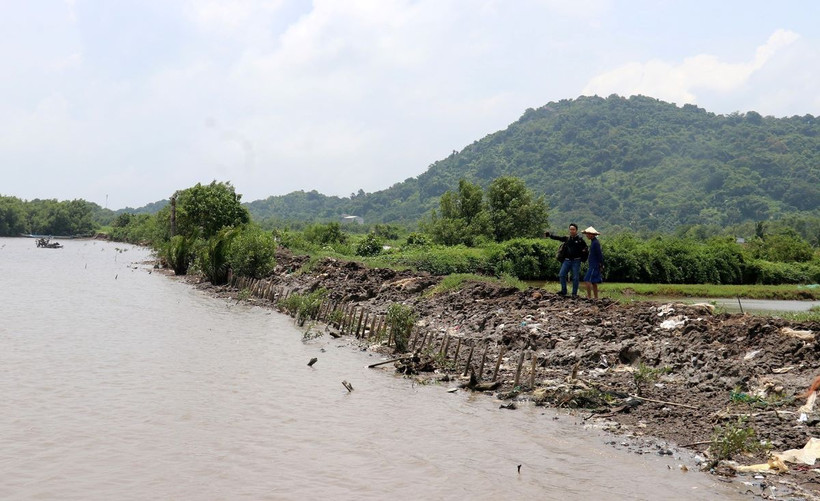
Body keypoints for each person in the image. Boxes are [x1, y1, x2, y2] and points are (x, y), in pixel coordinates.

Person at [545, 223, 588, 297]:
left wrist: (584, 253)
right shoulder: (567, 238)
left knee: (575, 277)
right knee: (562, 275)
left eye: (573, 229)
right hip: (567, 260)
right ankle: (563, 291)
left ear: (576, 230)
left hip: (576, 261)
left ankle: (574, 294)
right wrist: (550, 235)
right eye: (570, 229)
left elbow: (586, 248)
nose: (572, 231)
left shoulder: (580, 240)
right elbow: (558, 238)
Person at [582, 226, 604, 299]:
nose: (587, 235)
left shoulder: (595, 243)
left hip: (594, 265)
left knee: (587, 280)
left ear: (593, 234)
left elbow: (599, 254)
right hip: (593, 264)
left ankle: (589, 296)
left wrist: (601, 264)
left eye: (588, 234)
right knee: (594, 282)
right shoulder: (593, 242)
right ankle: (596, 297)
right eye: (587, 234)